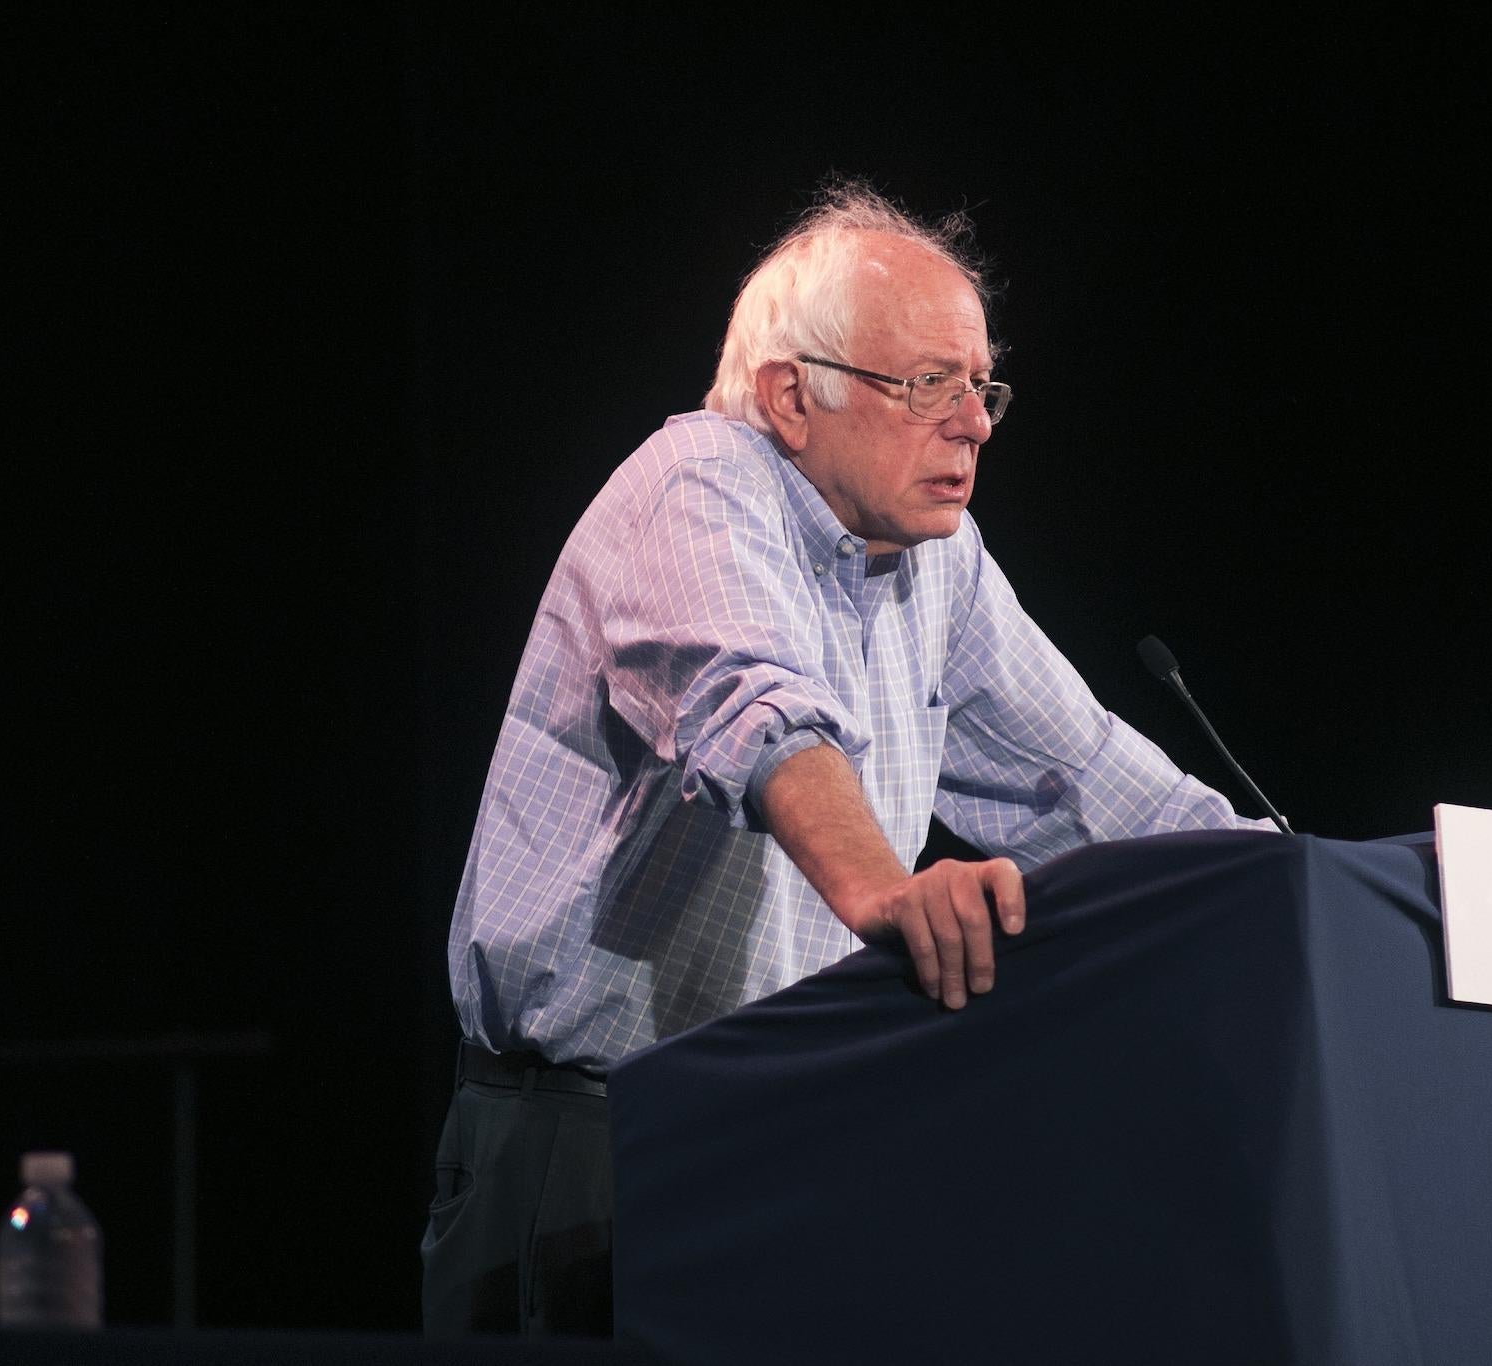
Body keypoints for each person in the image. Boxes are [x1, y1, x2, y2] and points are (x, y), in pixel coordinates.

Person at [420, 182, 1273, 1337]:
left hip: (793, 1125)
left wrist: (1307, 892)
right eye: (927, 384)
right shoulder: (696, 487)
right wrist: (882, 889)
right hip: (590, 1148)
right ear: (789, 396)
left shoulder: (939, 559)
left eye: (981, 387)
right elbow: (754, 705)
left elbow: (1090, 783)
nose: (971, 422)